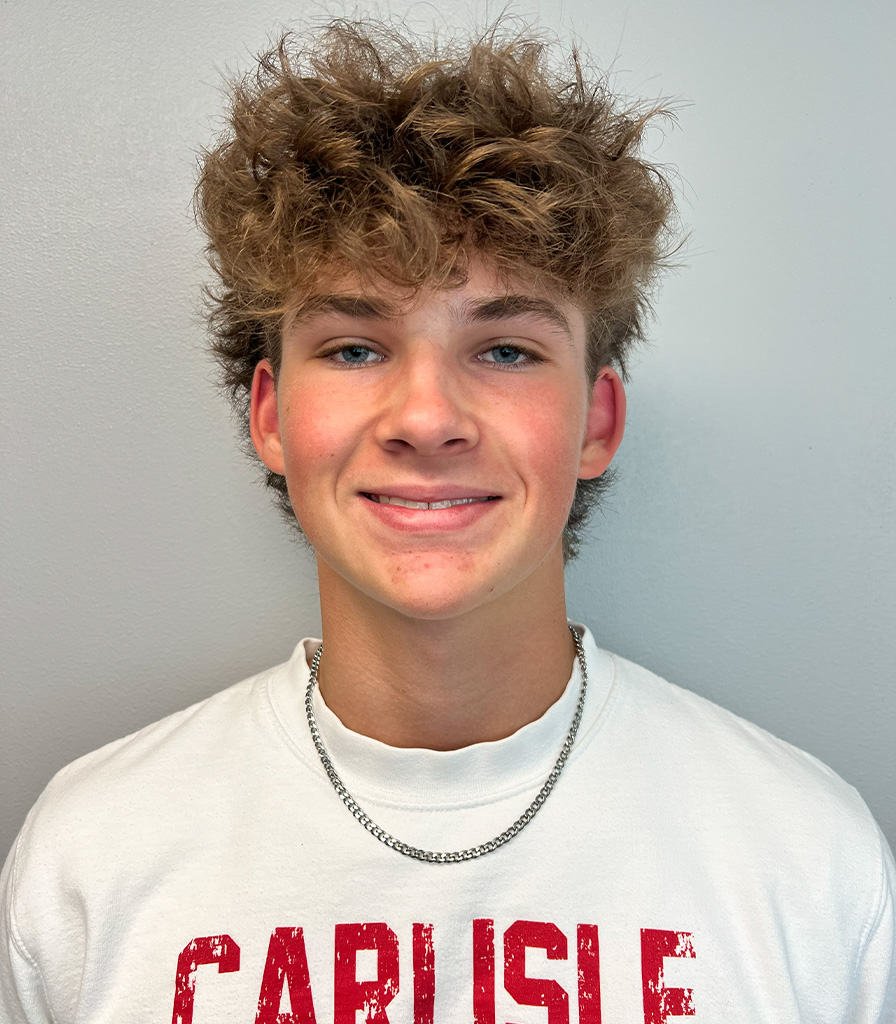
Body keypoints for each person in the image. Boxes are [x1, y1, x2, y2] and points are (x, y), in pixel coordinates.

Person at [1, 17, 894, 1024]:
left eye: (505, 349)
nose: (425, 418)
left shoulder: (804, 861)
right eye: (352, 347)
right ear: (271, 416)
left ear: (594, 420)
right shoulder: (92, 858)